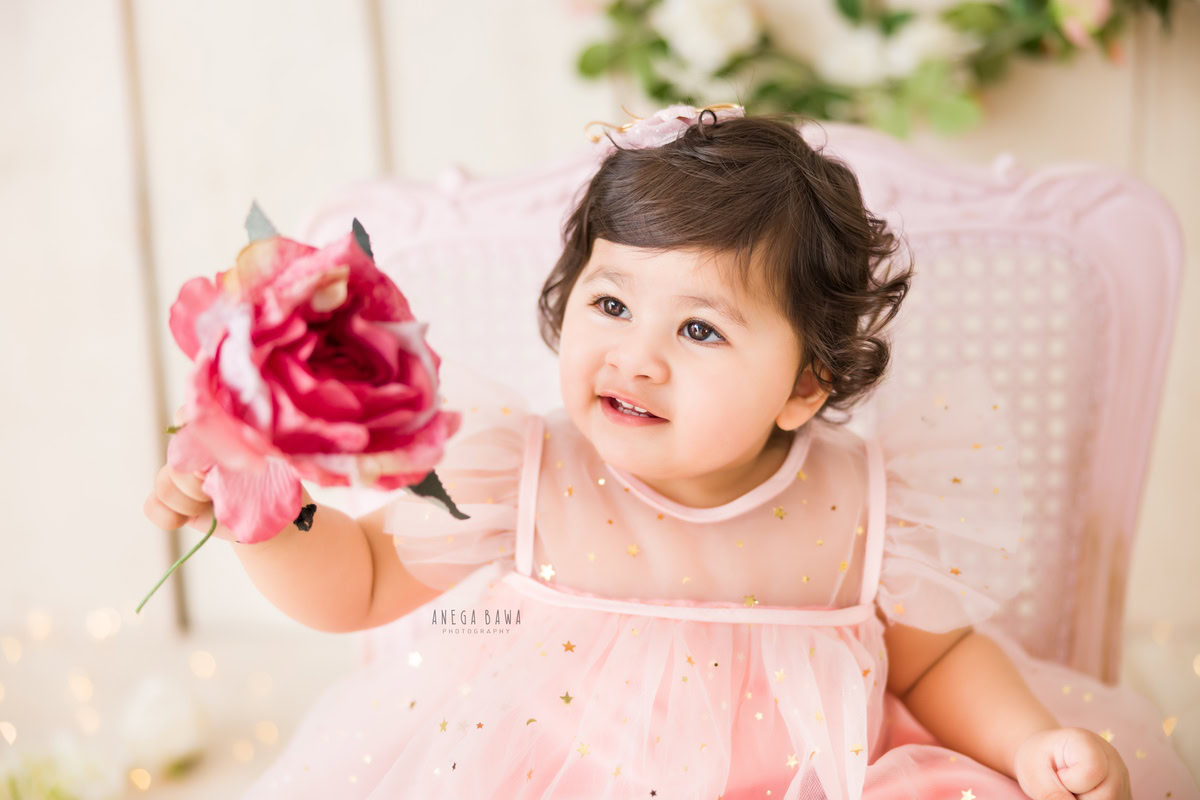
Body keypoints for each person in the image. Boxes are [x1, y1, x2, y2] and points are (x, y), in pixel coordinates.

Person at [145, 104, 1196, 799]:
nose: (634, 357)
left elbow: (940, 658)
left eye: (699, 329)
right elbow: (363, 581)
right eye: (610, 302)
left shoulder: (867, 501)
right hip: (551, 776)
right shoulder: (521, 467)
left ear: (803, 386)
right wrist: (269, 510)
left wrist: (1023, 742)